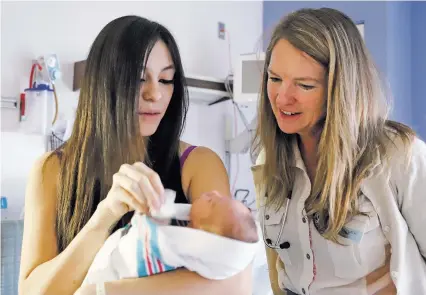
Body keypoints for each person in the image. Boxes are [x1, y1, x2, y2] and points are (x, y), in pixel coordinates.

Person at [18, 15, 252, 295]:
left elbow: (233, 283)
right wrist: (105, 215)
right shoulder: (52, 170)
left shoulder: (197, 164)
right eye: (140, 78)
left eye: (166, 79)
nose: (155, 93)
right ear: (104, 83)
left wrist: (100, 291)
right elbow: (33, 291)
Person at [251, 7, 426, 295]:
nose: (282, 97)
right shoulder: (270, 160)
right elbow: (278, 269)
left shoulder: (398, 157)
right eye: (274, 78)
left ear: (341, 89)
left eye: (304, 85)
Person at [82, 190, 260, 286]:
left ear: (204, 235)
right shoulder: (179, 237)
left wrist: (154, 212)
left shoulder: (165, 246)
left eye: (213, 203)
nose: (214, 192)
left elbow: (145, 239)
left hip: (109, 274)